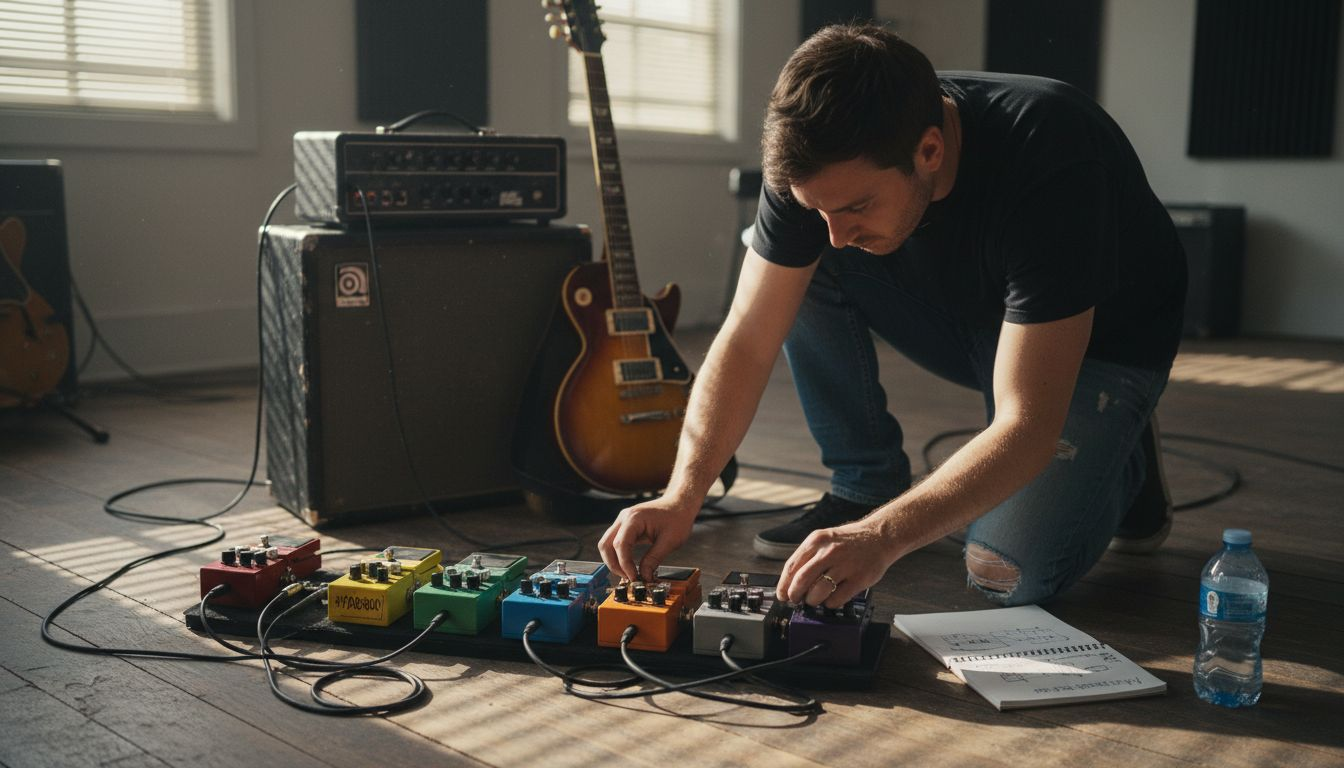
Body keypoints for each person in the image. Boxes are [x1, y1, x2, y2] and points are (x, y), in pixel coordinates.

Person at [597, 23, 1186, 610]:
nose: (834, 230)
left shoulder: (1053, 152)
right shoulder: (813, 161)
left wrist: (881, 538)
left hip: (1096, 348)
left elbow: (1026, 426)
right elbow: (747, 339)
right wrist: (682, 495)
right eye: (818, 210)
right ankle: (864, 484)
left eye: (857, 206)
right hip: (963, 313)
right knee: (798, 266)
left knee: (1003, 572)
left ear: (929, 150)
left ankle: (1119, 451)